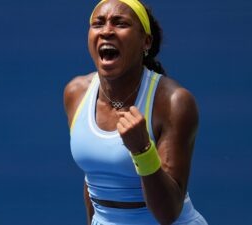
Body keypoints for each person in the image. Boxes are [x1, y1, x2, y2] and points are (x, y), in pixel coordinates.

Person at [64, 0, 208, 224]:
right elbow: (93, 180)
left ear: (146, 42)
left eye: (120, 23)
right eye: (98, 23)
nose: (107, 31)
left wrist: (142, 151)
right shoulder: (75, 93)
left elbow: (168, 212)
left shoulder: (174, 102)